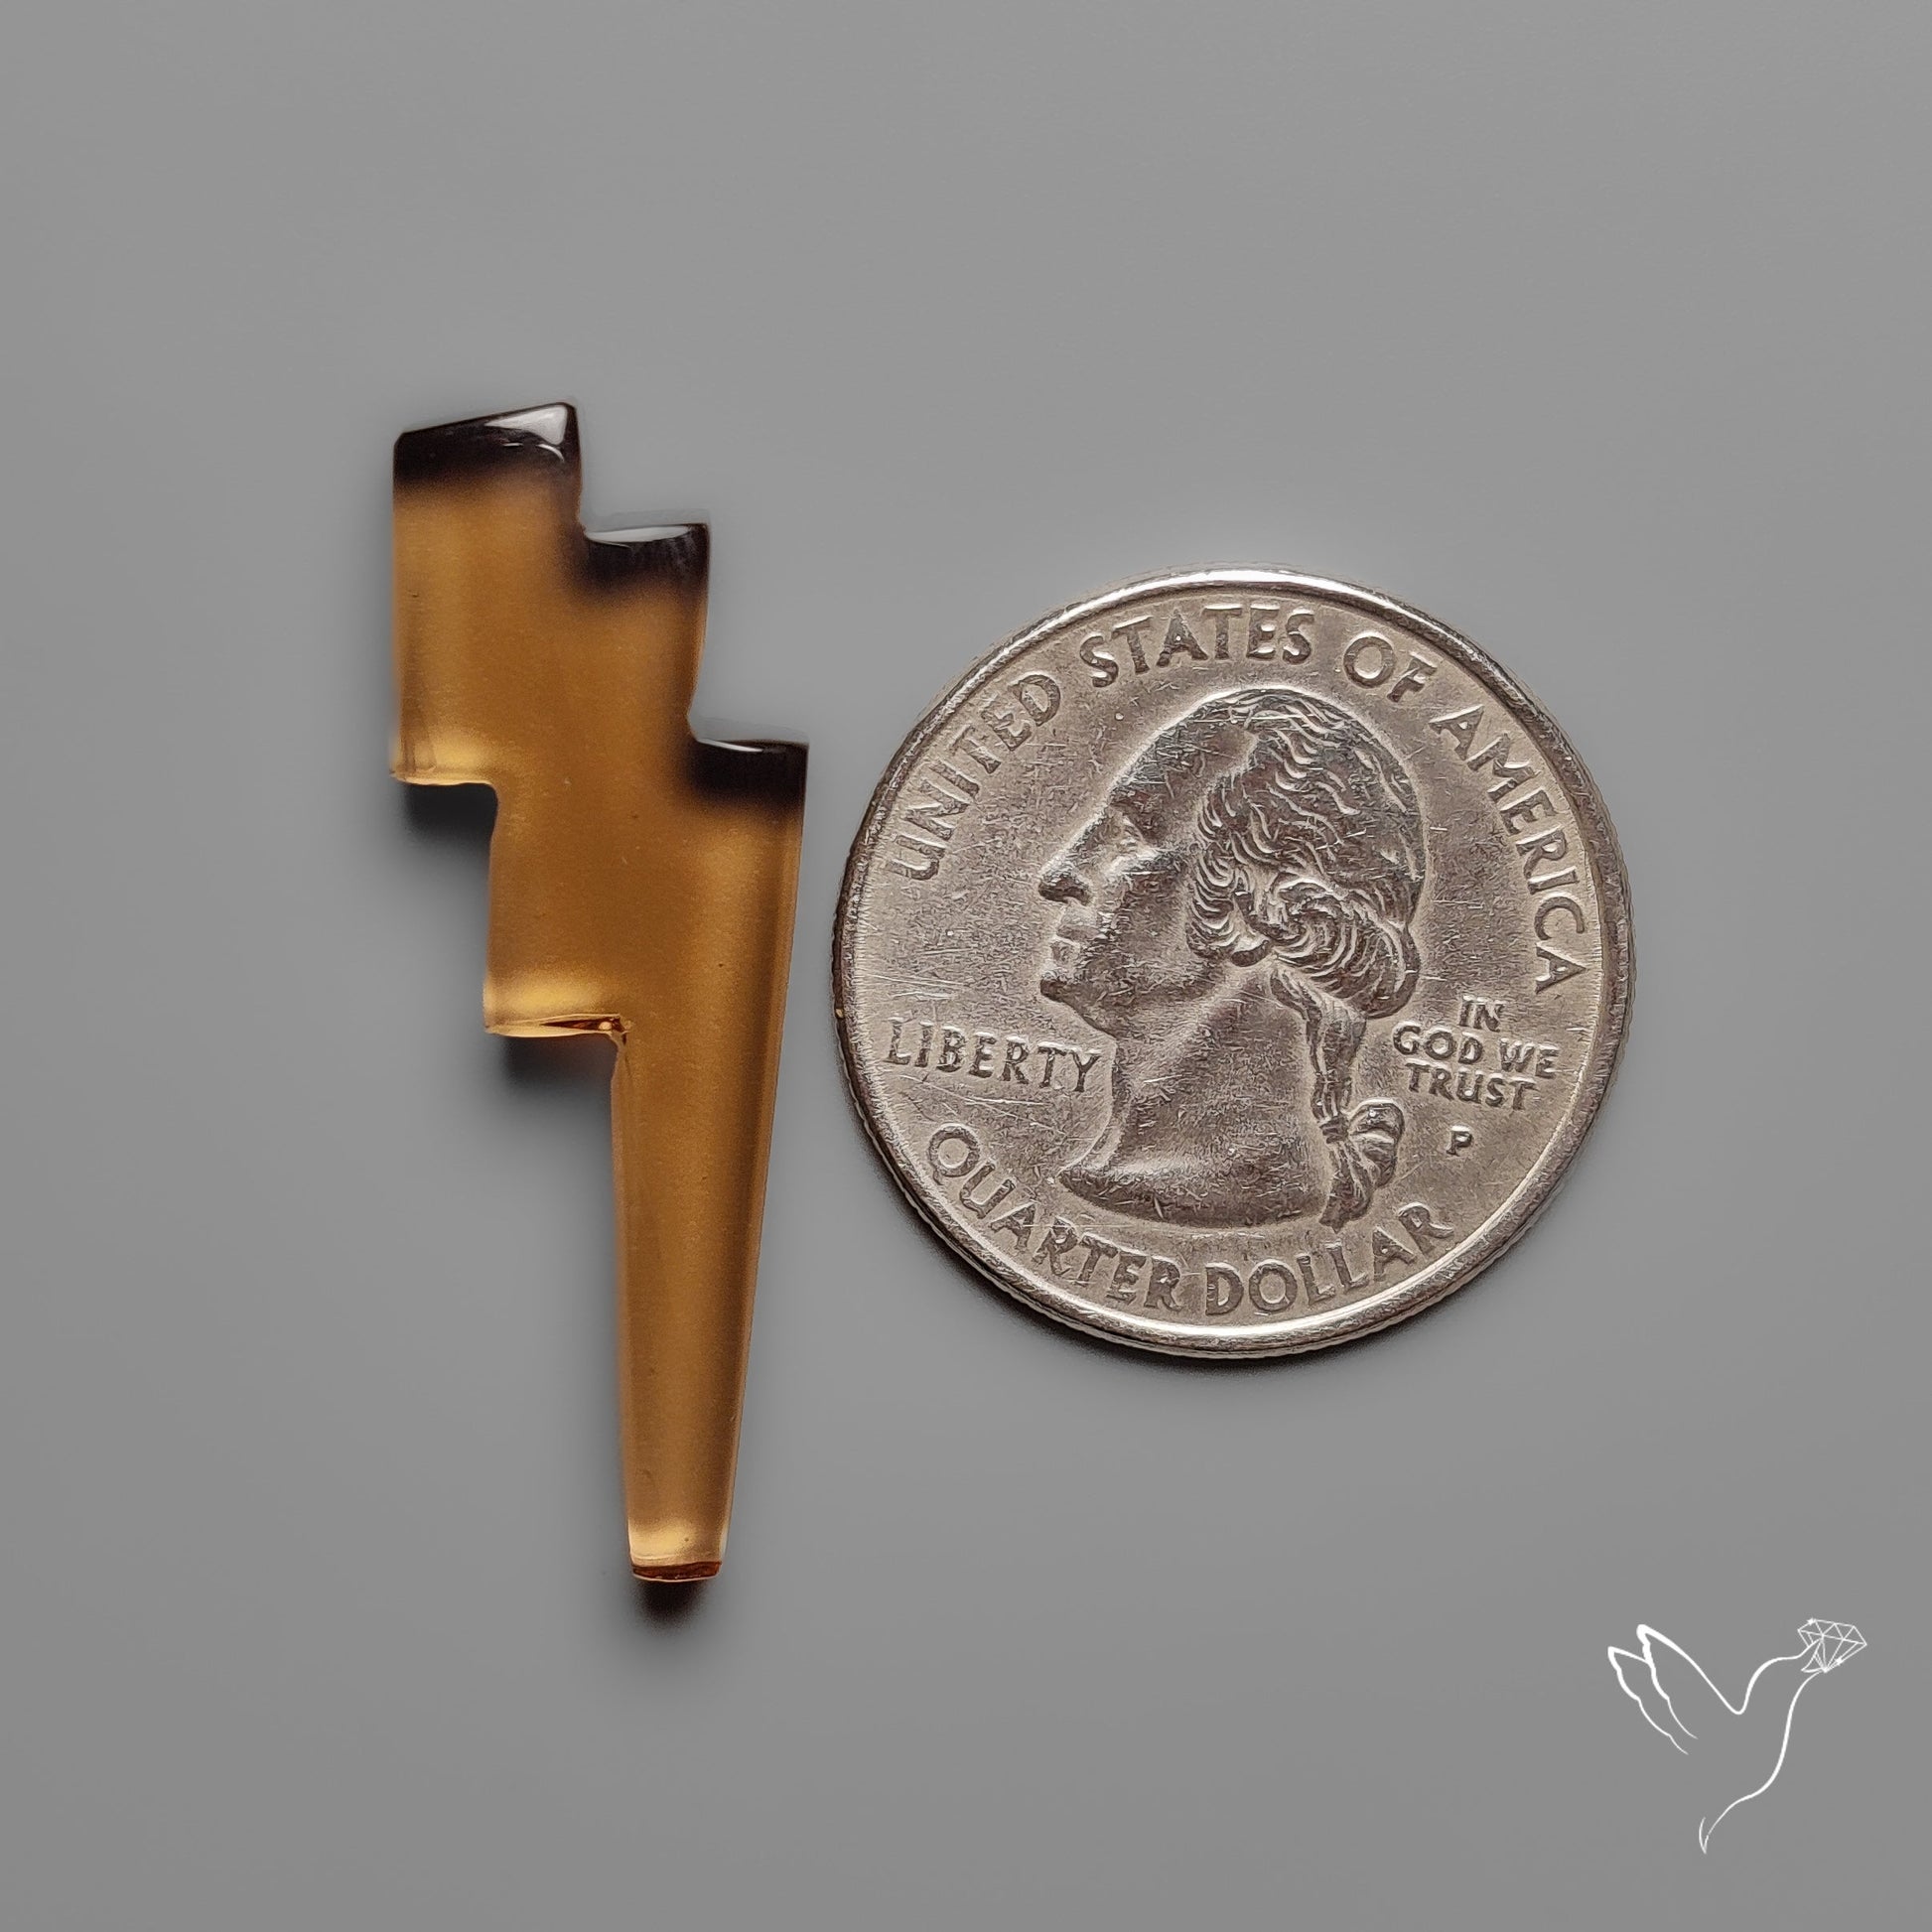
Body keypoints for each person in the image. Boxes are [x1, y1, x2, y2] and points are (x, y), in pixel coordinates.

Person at [1037, 687, 1426, 1230]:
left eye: (1129, 839)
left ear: (1264, 905)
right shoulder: (1120, 1177)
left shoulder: (1228, 1190)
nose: (1059, 874)